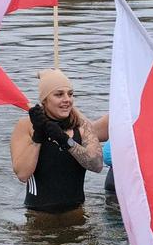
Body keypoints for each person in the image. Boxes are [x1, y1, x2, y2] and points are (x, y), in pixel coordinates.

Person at [10, 69, 103, 214]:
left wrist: (65, 140)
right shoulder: (26, 125)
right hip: (38, 215)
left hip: (76, 214)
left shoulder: (81, 126)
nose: (67, 99)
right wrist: (38, 137)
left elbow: (97, 165)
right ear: (44, 100)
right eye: (59, 94)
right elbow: (22, 174)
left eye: (70, 94)